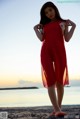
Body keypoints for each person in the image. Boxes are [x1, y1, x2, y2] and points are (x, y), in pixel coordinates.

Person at [34, 1, 76, 117]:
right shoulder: (44, 26)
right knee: (51, 81)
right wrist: (36, 29)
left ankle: (58, 108)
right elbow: (41, 39)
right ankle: (56, 109)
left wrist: (74, 26)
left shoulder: (62, 23)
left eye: (50, 10)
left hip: (60, 53)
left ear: (55, 9)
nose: (49, 13)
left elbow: (66, 38)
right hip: (46, 52)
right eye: (46, 12)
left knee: (59, 83)